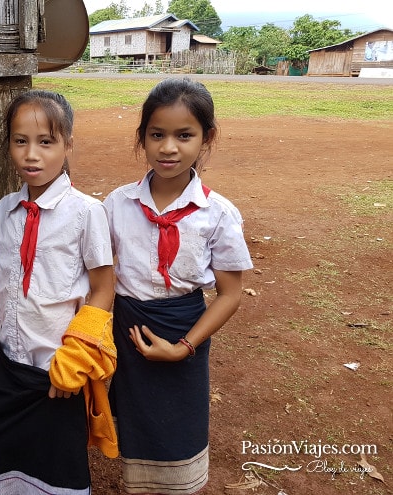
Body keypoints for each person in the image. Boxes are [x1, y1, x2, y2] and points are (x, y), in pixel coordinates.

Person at [0, 89, 117, 494]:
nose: (32, 154)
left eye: (46, 142)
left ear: (68, 144)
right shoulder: (5, 210)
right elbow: (6, 278)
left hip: (57, 375)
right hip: (8, 365)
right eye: (21, 141)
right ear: (9, 144)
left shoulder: (86, 213)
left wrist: (77, 357)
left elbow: (103, 288)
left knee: (56, 469)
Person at [103, 77, 253, 495]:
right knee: (136, 421)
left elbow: (230, 294)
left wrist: (184, 347)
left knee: (178, 425)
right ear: (142, 138)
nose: (168, 147)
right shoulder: (116, 205)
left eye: (184, 135)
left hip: (186, 331)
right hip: (129, 328)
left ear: (207, 138)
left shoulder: (218, 214)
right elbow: (96, 272)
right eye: (157, 135)